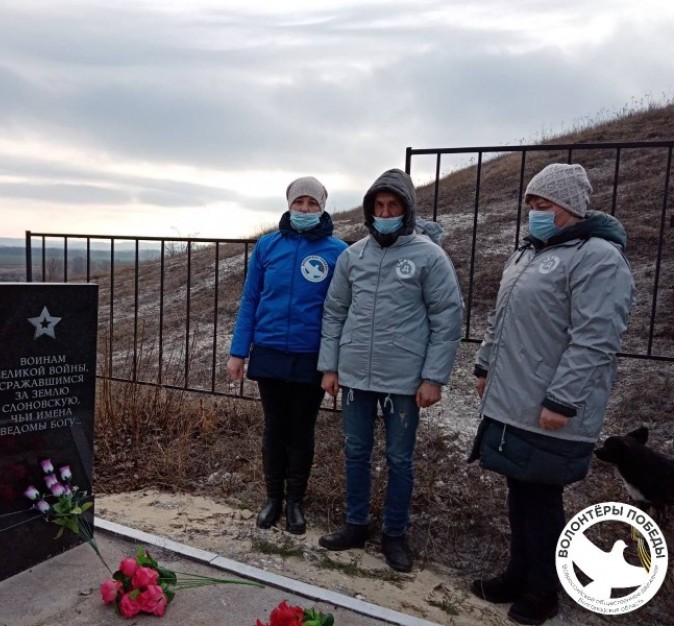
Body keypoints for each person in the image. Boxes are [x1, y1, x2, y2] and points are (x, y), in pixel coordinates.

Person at [468, 163, 634, 625]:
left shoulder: (598, 258)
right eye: (532, 203)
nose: (535, 212)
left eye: (545, 204)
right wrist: (484, 364)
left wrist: (562, 399)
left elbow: (596, 338)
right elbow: (500, 318)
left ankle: (544, 590)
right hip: (514, 396)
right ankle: (517, 574)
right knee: (520, 490)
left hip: (549, 404)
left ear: (571, 207)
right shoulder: (527, 253)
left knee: (542, 498)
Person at [317, 168, 463, 572]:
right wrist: (329, 366)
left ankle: (394, 534)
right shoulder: (354, 256)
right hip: (355, 375)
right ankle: (356, 524)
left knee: (399, 458)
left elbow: (447, 318)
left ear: (407, 210)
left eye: (392, 206)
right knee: (355, 452)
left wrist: (433, 378)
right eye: (378, 206)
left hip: (404, 379)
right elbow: (334, 311)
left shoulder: (429, 256)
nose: (384, 213)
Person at [227, 176, 347, 534]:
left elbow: (341, 310)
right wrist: (238, 351)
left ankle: (295, 501)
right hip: (270, 350)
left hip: (311, 354)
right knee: (275, 427)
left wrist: (333, 363)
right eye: (299, 202)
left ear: (322, 207)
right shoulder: (267, 246)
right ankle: (272, 499)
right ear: (289, 205)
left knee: (302, 430)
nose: (305, 209)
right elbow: (251, 299)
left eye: (312, 203)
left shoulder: (338, 251)